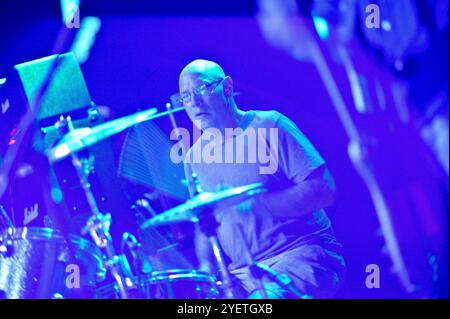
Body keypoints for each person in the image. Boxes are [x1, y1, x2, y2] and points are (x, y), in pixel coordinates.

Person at [178, 59, 346, 298]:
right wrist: (205, 268)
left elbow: (324, 190)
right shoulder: (193, 157)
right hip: (243, 275)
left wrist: (260, 204)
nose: (194, 102)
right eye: (185, 96)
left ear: (226, 87)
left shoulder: (270, 125)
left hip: (301, 255)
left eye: (202, 89)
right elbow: (204, 221)